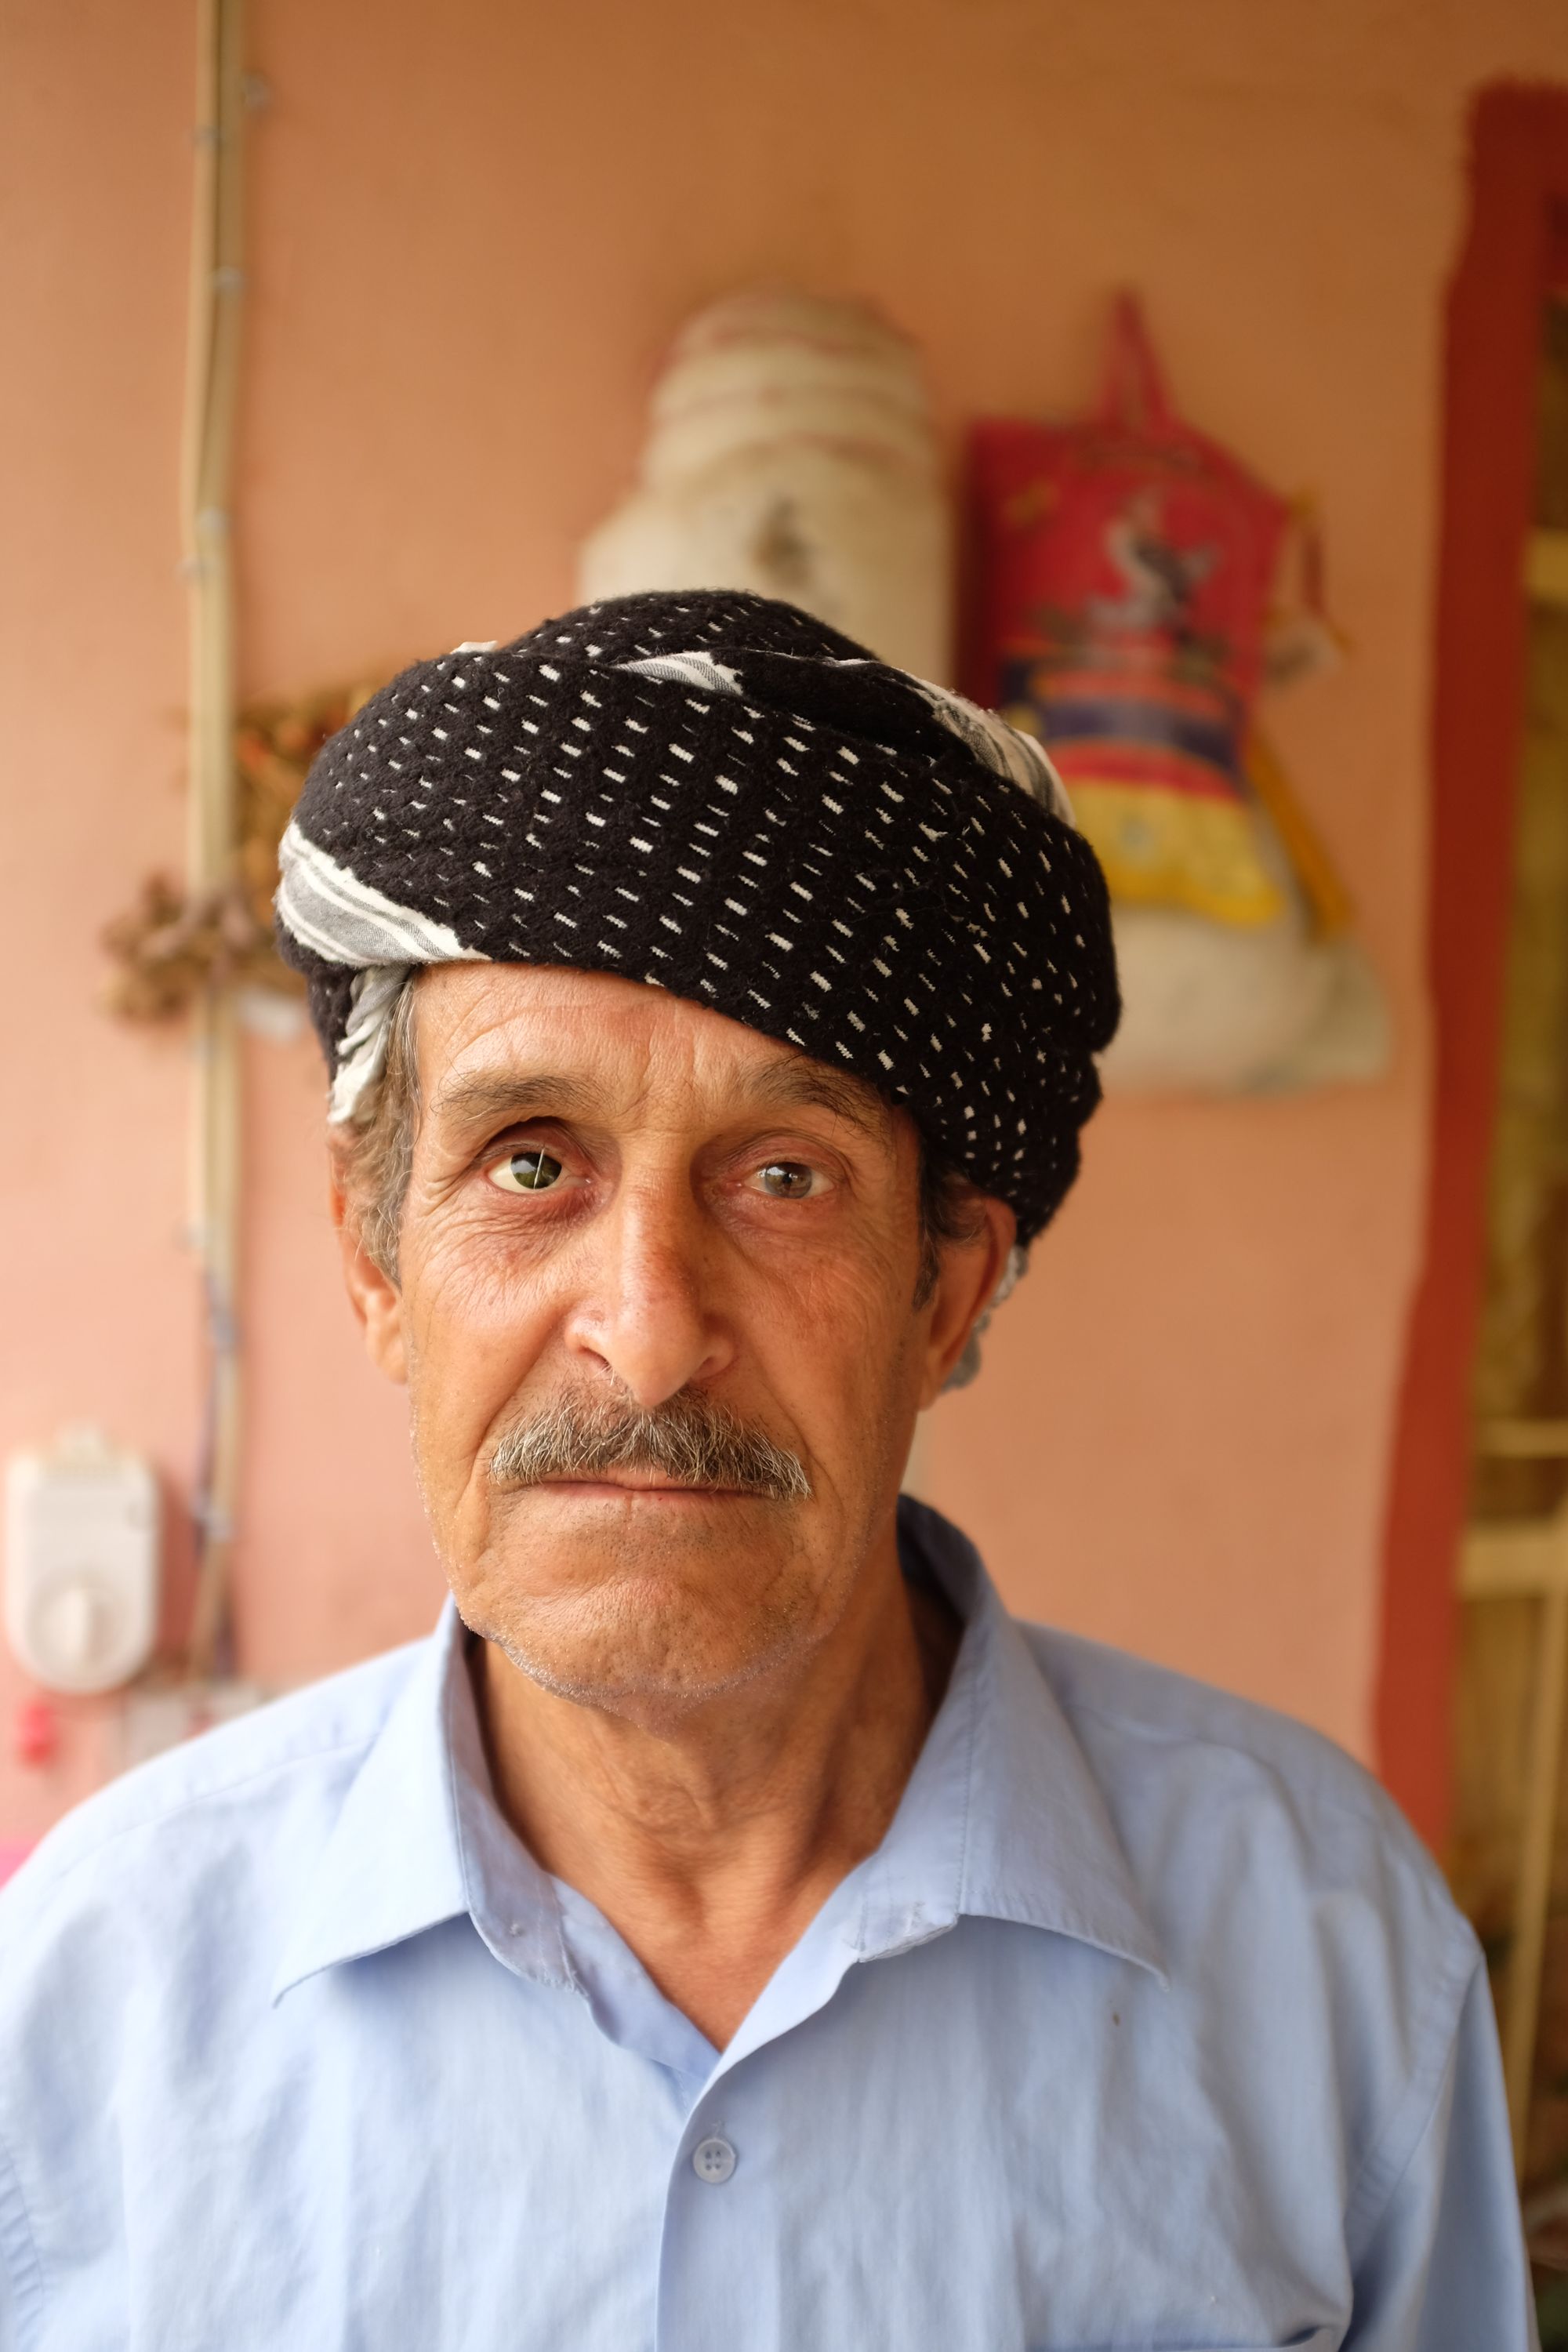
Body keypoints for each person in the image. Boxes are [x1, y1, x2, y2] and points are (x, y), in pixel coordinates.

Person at [0, 592, 1533, 2350]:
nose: (648, 1337)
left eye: (784, 1177)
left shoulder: (1324, 1952)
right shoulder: (90, 2006)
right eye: (527, 1164)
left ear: (944, 1289)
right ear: (376, 1267)